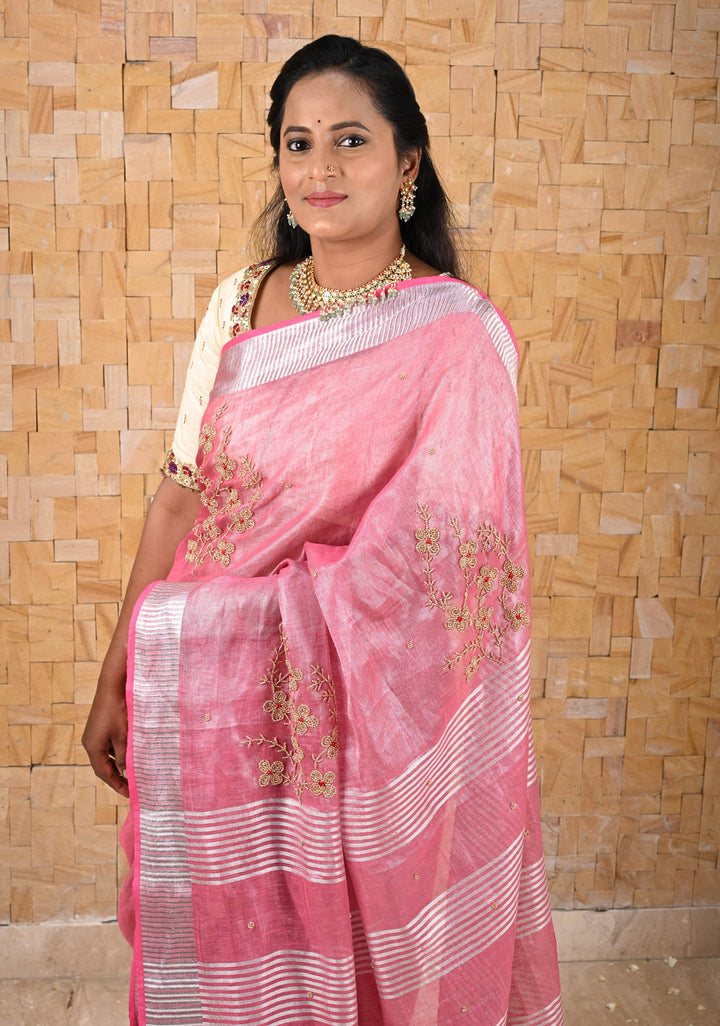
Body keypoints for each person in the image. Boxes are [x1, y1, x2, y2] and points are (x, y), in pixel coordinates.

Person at [83, 34, 563, 1026]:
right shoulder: (241, 303)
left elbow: (451, 573)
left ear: (407, 164)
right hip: (221, 706)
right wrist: (122, 668)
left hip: (380, 725)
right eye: (298, 145)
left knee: (374, 961)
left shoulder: (457, 336)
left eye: (351, 141)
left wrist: (299, 612)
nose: (322, 169)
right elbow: (182, 493)